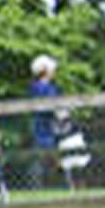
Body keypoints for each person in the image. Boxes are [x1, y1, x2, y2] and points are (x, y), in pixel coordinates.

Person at [29, 54, 61, 189]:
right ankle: (36, 186)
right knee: (41, 157)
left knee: (51, 157)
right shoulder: (38, 87)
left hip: (50, 126)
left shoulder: (50, 87)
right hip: (41, 126)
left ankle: (52, 184)